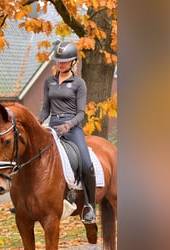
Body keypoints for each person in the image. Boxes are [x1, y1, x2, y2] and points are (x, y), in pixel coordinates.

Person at [38, 41, 96, 224]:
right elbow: (45, 109)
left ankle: (89, 206)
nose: (60, 64)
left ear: (73, 62)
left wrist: (69, 125)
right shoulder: (49, 82)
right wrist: (36, 124)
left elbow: (81, 113)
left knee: (87, 164)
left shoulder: (79, 83)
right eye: (58, 61)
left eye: (64, 61)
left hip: (72, 128)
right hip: (53, 126)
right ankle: (24, 200)